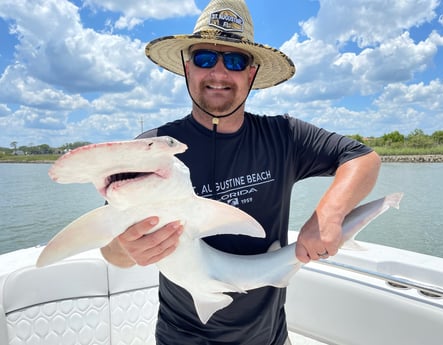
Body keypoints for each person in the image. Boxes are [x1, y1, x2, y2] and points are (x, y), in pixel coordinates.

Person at [101, 0, 381, 344]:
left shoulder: (284, 137)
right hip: (180, 337)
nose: (219, 73)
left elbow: (363, 158)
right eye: (205, 58)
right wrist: (127, 248)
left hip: (268, 337)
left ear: (251, 73)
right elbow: (110, 249)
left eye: (235, 60)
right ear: (187, 67)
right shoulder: (153, 151)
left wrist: (329, 215)